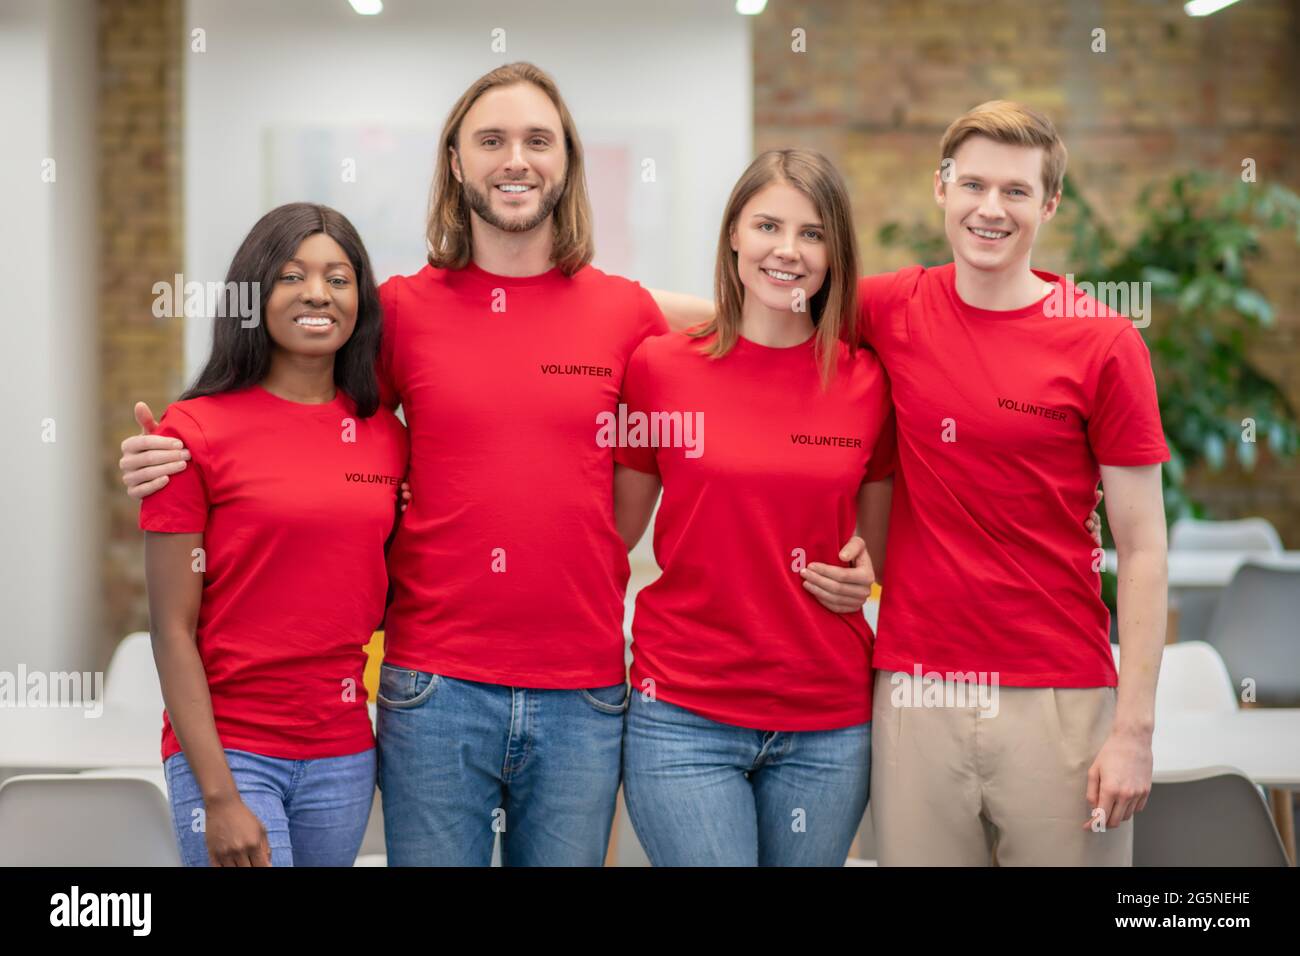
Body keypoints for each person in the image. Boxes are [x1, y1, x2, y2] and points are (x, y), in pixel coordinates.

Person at [121, 63, 863, 866]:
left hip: (584, 692)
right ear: (455, 162)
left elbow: (753, 323)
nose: (517, 157)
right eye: (492, 140)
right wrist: (176, 447)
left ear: (567, 162)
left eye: (538, 140)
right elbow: (290, 395)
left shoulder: (624, 312)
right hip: (434, 690)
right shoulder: (397, 311)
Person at [654, 101, 1163, 866]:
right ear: (942, 189)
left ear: (1049, 204)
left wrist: (1134, 731)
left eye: (1017, 192)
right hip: (912, 693)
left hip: (1057, 696)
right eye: (974, 185)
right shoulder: (892, 308)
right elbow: (760, 311)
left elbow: (1146, 546)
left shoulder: (1104, 342)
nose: (991, 209)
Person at [613, 149, 893, 866]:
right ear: (733, 233)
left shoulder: (868, 383)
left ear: (835, 253)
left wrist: (864, 574)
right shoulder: (660, 369)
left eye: (812, 233)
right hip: (683, 712)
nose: (787, 250)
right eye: (768, 224)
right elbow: (612, 530)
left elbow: (880, 549)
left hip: (827, 720)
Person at [141, 203, 408, 867]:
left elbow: (380, 595)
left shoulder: (389, 438)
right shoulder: (191, 433)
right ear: (253, 294)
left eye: (339, 278)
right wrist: (219, 794)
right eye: (292, 276)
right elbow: (172, 629)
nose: (318, 293)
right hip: (231, 753)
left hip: (343, 752)